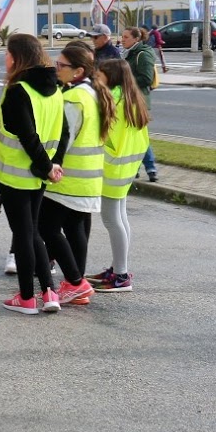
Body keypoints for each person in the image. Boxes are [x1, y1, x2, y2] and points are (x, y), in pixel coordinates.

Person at [0, 34, 68, 315]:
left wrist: (47, 166)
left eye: (8, 53)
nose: (5, 58)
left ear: (17, 57)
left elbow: (27, 136)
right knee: (32, 231)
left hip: (16, 175)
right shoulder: (55, 88)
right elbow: (64, 132)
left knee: (23, 234)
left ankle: (26, 298)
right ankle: (49, 292)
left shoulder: (18, 90)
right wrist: (53, 165)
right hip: (39, 175)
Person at [40, 41, 114, 307]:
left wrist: (49, 164)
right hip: (88, 178)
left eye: (61, 65)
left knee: (45, 227)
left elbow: (64, 139)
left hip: (67, 178)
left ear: (78, 71)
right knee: (75, 229)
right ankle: (77, 285)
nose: (56, 68)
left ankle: (75, 282)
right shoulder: (94, 92)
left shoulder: (73, 98)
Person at [91, 58, 150, 293]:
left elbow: (102, 134)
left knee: (111, 219)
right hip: (126, 166)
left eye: (100, 75)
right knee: (120, 217)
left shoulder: (112, 99)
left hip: (112, 166)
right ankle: (118, 268)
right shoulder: (131, 97)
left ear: (111, 77)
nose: (96, 78)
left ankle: (121, 275)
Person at [123, 26, 159, 183]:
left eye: (126, 37)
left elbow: (146, 78)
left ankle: (150, 168)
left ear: (136, 39)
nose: (122, 40)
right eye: (122, 37)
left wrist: (124, 80)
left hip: (138, 101)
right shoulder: (130, 53)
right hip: (130, 99)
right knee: (134, 136)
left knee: (139, 136)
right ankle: (138, 169)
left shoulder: (142, 54)